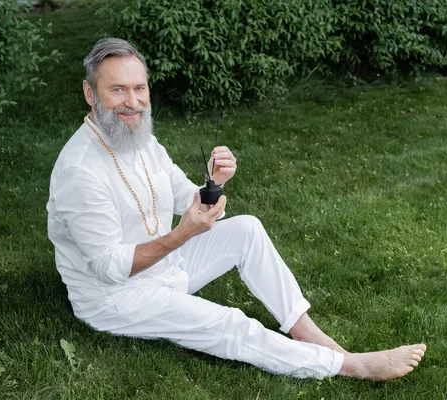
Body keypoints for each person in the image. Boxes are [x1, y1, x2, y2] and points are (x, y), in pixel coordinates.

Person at [46, 38, 426, 380]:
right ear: (90, 93)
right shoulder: (80, 170)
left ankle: (306, 331)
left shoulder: (138, 137)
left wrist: (213, 184)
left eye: (139, 88)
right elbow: (109, 267)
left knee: (246, 228)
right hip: (117, 299)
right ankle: (351, 366)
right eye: (117, 90)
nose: (132, 101)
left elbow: (184, 196)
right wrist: (182, 234)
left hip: (165, 268)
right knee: (228, 323)